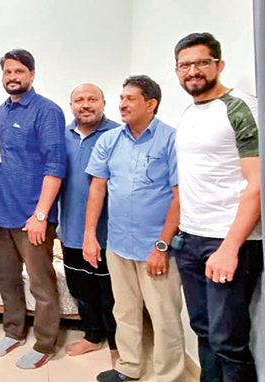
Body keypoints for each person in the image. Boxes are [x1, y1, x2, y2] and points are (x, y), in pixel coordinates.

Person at [172, 32, 262, 382]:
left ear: (219, 65)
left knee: (228, 342)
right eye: (184, 65)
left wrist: (229, 248)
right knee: (203, 330)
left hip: (227, 241)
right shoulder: (189, 112)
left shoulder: (241, 107)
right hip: (191, 239)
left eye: (201, 62)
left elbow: (257, 183)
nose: (192, 71)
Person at [84, 75, 186, 382]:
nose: (122, 104)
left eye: (130, 98)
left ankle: (169, 376)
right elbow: (97, 189)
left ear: (150, 104)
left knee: (164, 317)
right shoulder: (109, 140)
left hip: (155, 247)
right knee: (125, 311)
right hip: (118, 244)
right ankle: (128, 367)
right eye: (121, 98)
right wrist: (90, 235)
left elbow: (180, 197)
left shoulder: (171, 140)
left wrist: (161, 246)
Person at [0, 49, 66, 370]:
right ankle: (13, 331)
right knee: (7, 279)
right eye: (8, 71)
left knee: (41, 284)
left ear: (32, 75)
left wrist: (41, 215)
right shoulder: (1, 111)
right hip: (1, 215)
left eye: (19, 71)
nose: (13, 77)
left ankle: (45, 343)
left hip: (32, 218)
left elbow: (55, 165)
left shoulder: (47, 111)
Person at [58, 83, 119, 361]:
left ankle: (117, 344)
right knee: (80, 289)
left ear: (103, 102)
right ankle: (93, 336)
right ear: (71, 105)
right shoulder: (62, 136)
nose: (85, 105)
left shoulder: (118, 134)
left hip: (108, 233)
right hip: (70, 230)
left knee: (109, 293)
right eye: (79, 100)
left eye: (92, 99)